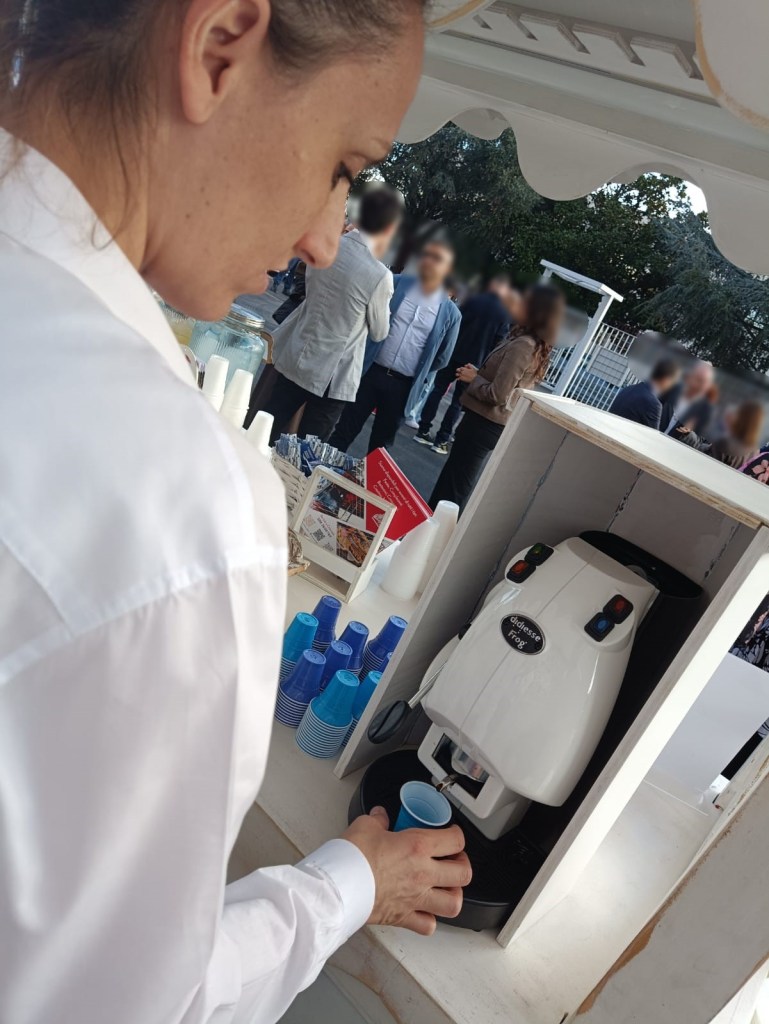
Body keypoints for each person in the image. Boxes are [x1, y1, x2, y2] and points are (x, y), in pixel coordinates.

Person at [0, 4, 472, 1024]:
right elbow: (132, 1002)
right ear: (218, 47)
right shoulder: (180, 501)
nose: (322, 240)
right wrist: (347, 885)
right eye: (343, 167)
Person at [246, 186, 403, 440]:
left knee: (266, 426)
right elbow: (379, 331)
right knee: (309, 447)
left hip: (299, 350)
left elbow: (310, 288)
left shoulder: (325, 246)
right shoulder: (380, 275)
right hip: (334, 372)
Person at [429, 283, 565, 512]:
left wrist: (474, 379)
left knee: (454, 487)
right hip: (484, 423)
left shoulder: (524, 346)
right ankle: (431, 524)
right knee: (453, 482)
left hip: (483, 424)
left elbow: (498, 394)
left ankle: (438, 529)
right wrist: (479, 374)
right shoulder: (529, 343)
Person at [329, 240, 461, 452]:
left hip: (403, 386)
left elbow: (442, 357)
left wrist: (419, 369)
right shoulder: (395, 283)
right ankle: (323, 470)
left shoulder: (451, 314)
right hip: (370, 372)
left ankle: (363, 476)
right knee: (343, 430)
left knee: (380, 448)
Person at [414, 275, 522, 454]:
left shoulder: (472, 300)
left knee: (437, 390)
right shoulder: (503, 313)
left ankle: (423, 430)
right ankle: (441, 439)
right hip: (474, 363)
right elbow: (499, 341)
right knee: (458, 401)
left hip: (453, 353)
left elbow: (456, 321)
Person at [687, 399, 764, 468]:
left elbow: (702, 459)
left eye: (737, 413)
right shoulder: (754, 450)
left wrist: (689, 435)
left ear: (741, 418)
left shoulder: (727, 444)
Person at [608, 358, 680, 430]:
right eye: (673, 382)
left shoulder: (628, 389)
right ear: (666, 380)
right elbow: (651, 435)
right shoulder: (653, 404)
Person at [659, 359, 715, 439]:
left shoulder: (706, 410)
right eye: (698, 379)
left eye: (704, 382)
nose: (698, 385)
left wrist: (689, 434)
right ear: (690, 376)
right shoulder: (672, 389)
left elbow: (701, 441)